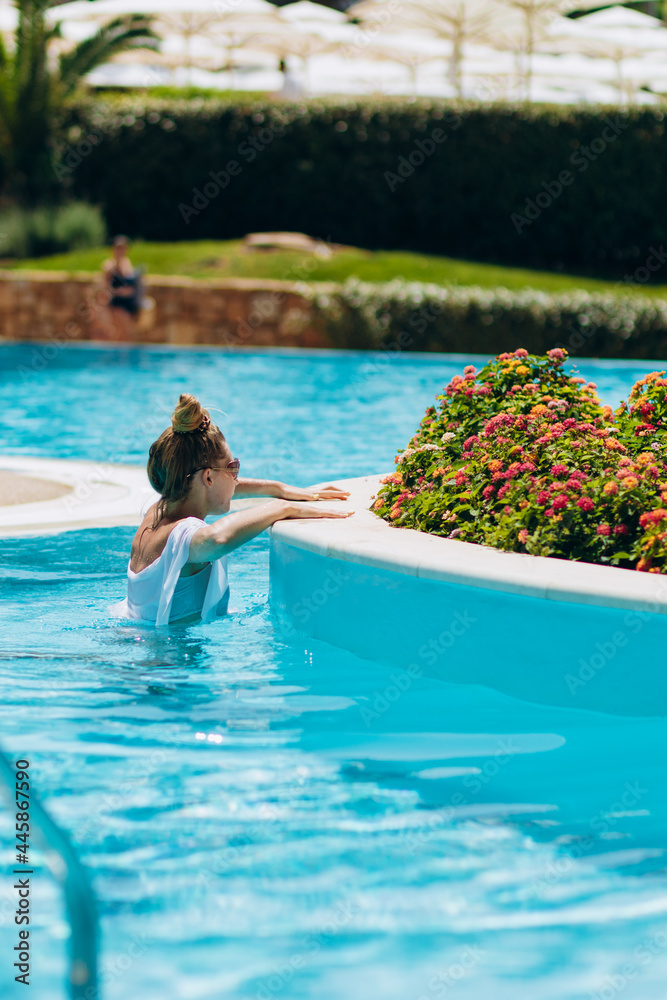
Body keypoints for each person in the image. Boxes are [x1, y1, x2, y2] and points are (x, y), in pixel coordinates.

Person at [116, 394, 353, 625]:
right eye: (233, 468)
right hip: (169, 662)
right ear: (208, 478)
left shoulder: (156, 512)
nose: (237, 479)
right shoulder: (186, 537)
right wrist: (280, 508)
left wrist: (277, 488)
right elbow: (217, 538)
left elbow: (211, 490)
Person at [102, 235, 143, 341]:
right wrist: (119, 292)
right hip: (117, 304)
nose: (120, 251)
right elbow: (105, 286)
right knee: (124, 333)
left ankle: (120, 356)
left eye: (123, 248)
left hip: (128, 304)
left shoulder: (127, 263)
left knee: (122, 334)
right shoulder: (109, 266)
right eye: (118, 248)